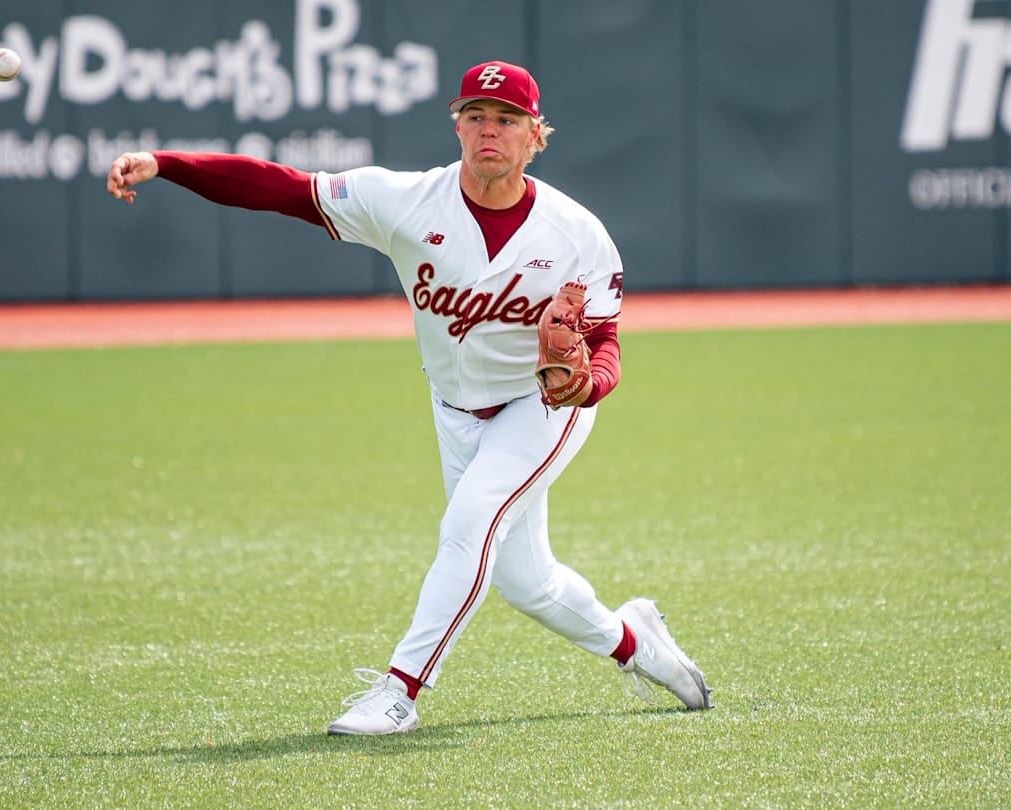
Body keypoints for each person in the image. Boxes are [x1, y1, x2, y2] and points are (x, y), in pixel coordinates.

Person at [105, 60, 712, 735]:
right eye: (476, 116)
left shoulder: (575, 234)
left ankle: (399, 692)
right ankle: (636, 641)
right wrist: (166, 163)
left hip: (539, 407)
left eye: (507, 120)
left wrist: (588, 383)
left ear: (535, 135)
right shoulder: (405, 201)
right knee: (526, 583)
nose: (490, 131)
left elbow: (605, 342)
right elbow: (279, 189)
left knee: (469, 524)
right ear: (456, 125)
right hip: (453, 408)